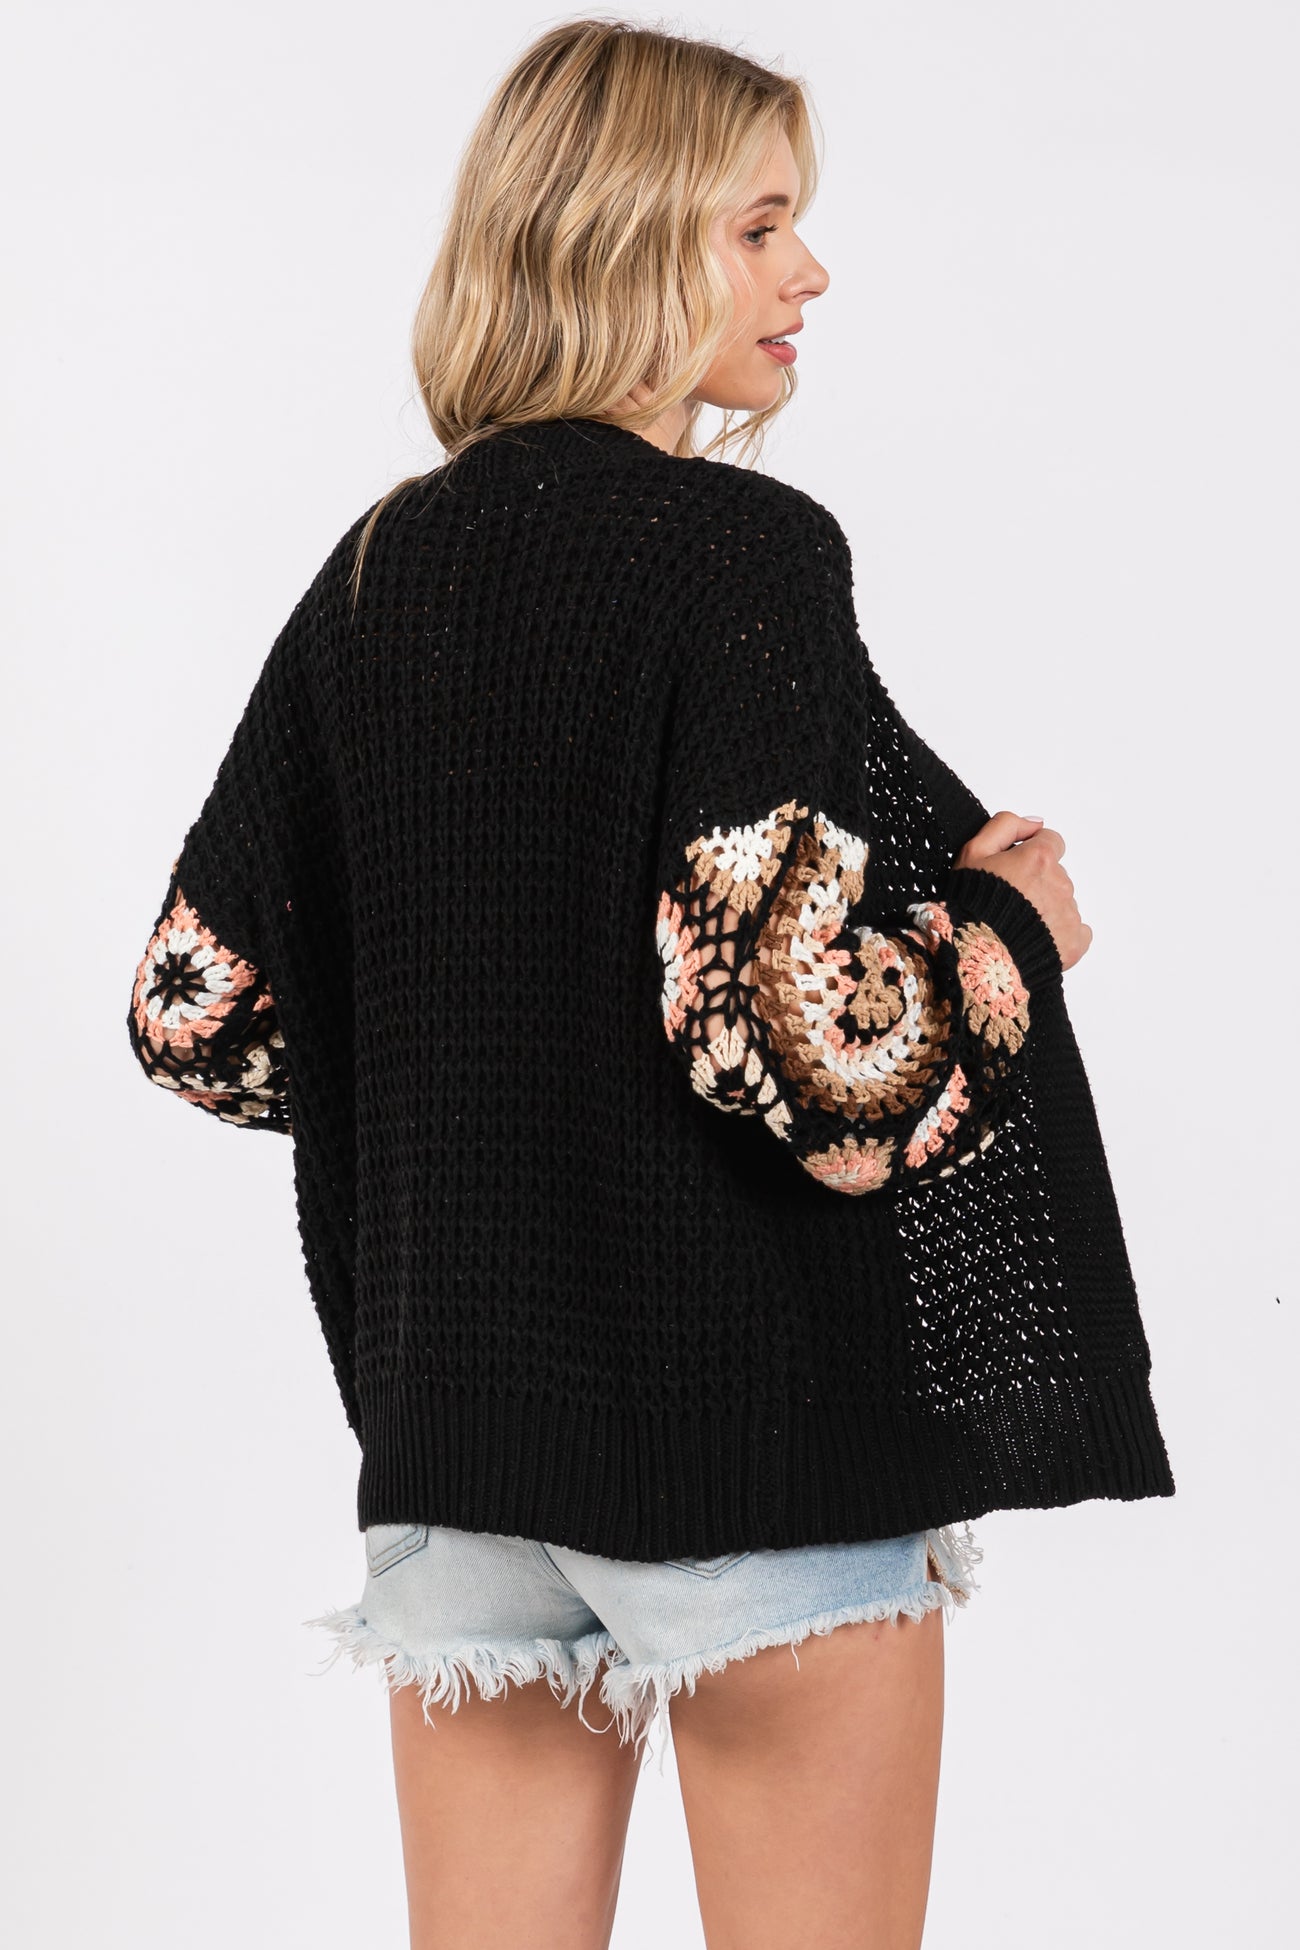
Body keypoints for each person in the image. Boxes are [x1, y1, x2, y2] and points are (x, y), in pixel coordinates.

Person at [125, 18, 1175, 1950]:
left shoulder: (376, 573)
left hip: (464, 1457)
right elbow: (802, 1060)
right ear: (617, 237)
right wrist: (1011, 932)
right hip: (748, 1446)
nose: (810, 272)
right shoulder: (738, 554)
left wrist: (466, 1043)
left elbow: (196, 1012)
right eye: (759, 227)